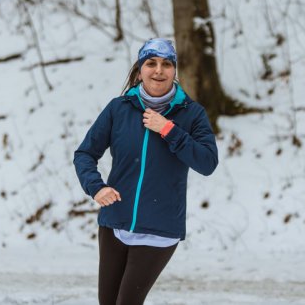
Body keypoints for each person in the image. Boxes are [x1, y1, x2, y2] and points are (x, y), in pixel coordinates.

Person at [74, 38, 219, 305]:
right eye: (151, 63)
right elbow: (84, 154)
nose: (158, 71)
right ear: (140, 69)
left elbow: (207, 162)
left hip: (160, 228)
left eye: (166, 64)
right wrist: (96, 186)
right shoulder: (119, 109)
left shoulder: (191, 114)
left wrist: (169, 130)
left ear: (175, 71)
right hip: (115, 222)